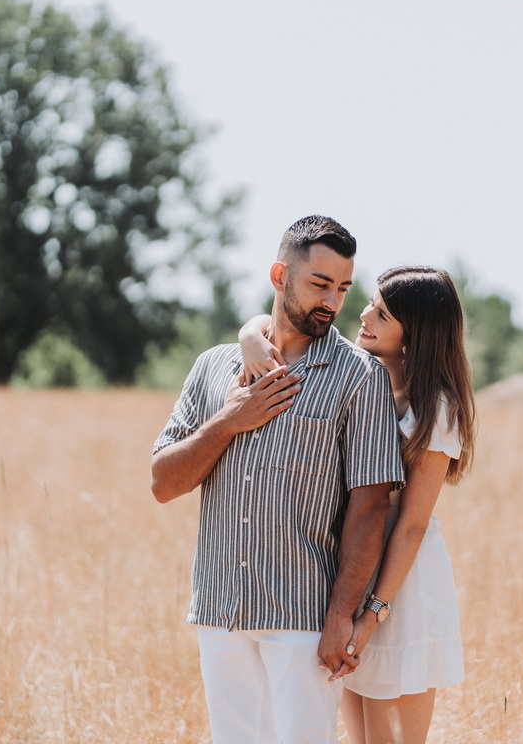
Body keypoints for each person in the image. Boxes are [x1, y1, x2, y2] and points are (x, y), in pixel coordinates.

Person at [150, 215, 404, 744]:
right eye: (319, 283)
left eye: (341, 288)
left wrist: (341, 617)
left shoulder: (360, 377)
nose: (331, 301)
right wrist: (227, 422)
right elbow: (163, 482)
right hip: (220, 609)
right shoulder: (213, 368)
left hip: (304, 618)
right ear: (278, 275)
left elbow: (370, 507)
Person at [239, 265, 477, 744]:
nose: (363, 314)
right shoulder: (357, 377)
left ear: (415, 335)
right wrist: (248, 336)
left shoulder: (436, 407)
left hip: (399, 589)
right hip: (348, 575)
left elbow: (411, 524)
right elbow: (272, 324)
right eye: (370, 302)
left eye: (383, 314)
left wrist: (372, 614)